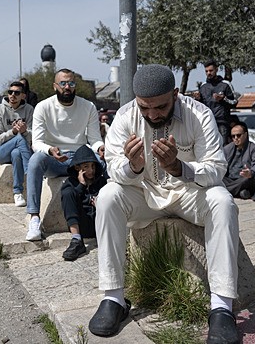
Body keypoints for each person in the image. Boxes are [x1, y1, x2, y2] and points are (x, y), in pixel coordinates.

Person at [89, 64, 240, 343]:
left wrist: (178, 167)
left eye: (159, 107)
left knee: (223, 200)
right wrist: (132, 166)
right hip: (145, 196)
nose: (152, 115)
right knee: (109, 195)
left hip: (187, 194)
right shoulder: (124, 117)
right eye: (145, 108)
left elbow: (217, 169)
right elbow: (114, 169)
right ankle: (113, 298)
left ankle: (221, 307)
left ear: (175, 94)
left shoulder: (199, 114)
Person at [25, 69, 103, 241]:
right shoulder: (43, 107)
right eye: (63, 83)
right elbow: (36, 143)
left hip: (80, 159)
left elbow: (95, 139)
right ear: (55, 86)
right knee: (35, 160)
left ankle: (103, 209)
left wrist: (100, 148)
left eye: (71, 83)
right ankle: (34, 218)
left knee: (104, 161)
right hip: (55, 158)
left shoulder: (88, 107)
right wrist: (50, 150)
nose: (67, 87)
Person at [60, 144, 107, 261]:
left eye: (93, 166)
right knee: (68, 194)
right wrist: (81, 186)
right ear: (77, 168)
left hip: (99, 225)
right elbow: (70, 201)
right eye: (86, 166)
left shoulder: (101, 181)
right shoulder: (70, 182)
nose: (91, 170)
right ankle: (76, 240)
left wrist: (99, 203)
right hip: (82, 226)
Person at [0, 81, 35, 207]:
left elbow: (33, 134)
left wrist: (25, 131)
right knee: (19, 138)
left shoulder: (29, 110)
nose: (12, 95)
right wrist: (15, 131)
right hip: (1, 150)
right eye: (10, 92)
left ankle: (17, 193)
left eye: (17, 93)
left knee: (16, 154)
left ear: (23, 96)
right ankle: (29, 171)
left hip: (19, 150)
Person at [192, 60, 238, 145]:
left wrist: (223, 99)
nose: (208, 73)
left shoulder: (225, 84)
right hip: (207, 123)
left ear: (216, 70)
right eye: (206, 71)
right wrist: (197, 99)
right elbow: (200, 106)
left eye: (211, 70)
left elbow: (234, 103)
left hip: (222, 122)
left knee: (223, 147)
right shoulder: (203, 86)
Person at [223, 122, 255, 201]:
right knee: (219, 179)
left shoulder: (254, 148)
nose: (236, 138)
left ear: (245, 135)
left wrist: (251, 172)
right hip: (231, 180)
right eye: (233, 136)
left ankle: (224, 191)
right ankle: (241, 192)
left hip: (248, 178)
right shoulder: (227, 148)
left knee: (246, 179)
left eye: (238, 135)